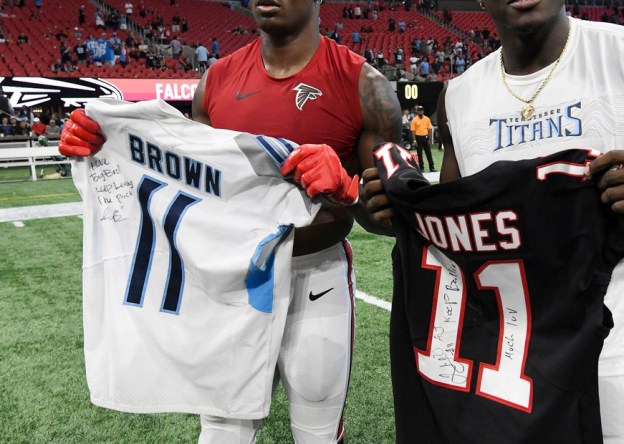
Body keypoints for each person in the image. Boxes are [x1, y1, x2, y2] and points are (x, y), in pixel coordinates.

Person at [362, 5, 624, 444]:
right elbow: (458, 243)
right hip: (511, 370)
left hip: (619, 357)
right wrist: (400, 212)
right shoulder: (460, 95)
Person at [57, 0, 402, 443]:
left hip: (315, 275)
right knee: (222, 432)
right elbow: (187, 189)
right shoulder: (216, 80)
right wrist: (107, 148)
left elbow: (392, 220)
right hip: (233, 280)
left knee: (316, 434)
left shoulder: (364, 85)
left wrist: (348, 188)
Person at [409, 105, 434, 172]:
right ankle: (421, 168)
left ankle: (432, 167)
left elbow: (430, 129)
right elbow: (413, 131)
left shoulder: (427, 119)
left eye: (421, 110)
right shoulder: (414, 120)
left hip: (425, 137)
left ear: (423, 111)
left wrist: (430, 139)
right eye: (419, 110)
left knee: (428, 152)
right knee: (419, 153)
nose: (420, 111)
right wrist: (414, 140)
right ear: (417, 111)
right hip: (418, 138)